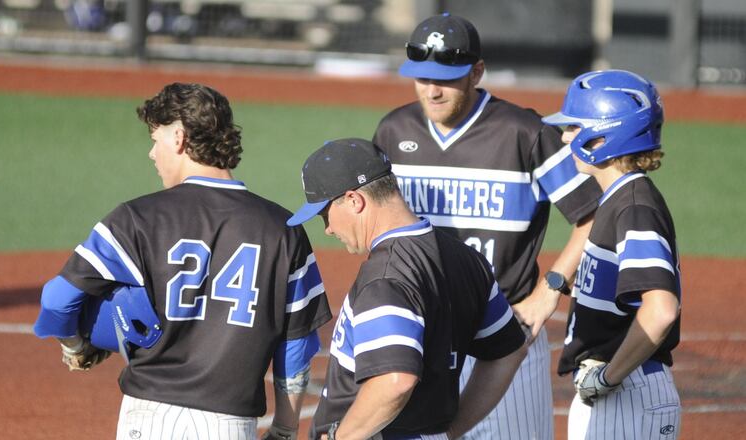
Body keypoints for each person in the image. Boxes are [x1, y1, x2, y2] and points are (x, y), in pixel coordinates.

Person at [33, 82, 332, 440]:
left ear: (179, 137)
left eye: (155, 139)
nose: (151, 153)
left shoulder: (136, 218)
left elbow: (57, 299)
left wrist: (76, 347)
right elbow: (296, 343)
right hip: (230, 426)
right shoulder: (284, 231)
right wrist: (284, 427)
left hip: (148, 416)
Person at [372, 13, 603, 439]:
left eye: (447, 78)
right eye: (422, 78)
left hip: (500, 334)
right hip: (420, 336)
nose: (432, 90)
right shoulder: (393, 131)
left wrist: (548, 291)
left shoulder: (523, 133)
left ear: (477, 72)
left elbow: (594, 215)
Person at [286, 138, 528, 440]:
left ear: (353, 200)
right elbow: (509, 351)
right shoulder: (466, 258)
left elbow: (396, 380)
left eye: (325, 215)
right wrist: (450, 430)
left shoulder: (385, 277)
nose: (328, 229)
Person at [542, 69, 682, 439]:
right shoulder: (619, 199)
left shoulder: (634, 206)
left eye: (574, 127)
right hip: (620, 393)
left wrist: (607, 376)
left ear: (605, 134)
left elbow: (661, 308)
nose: (565, 136)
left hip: (627, 391)